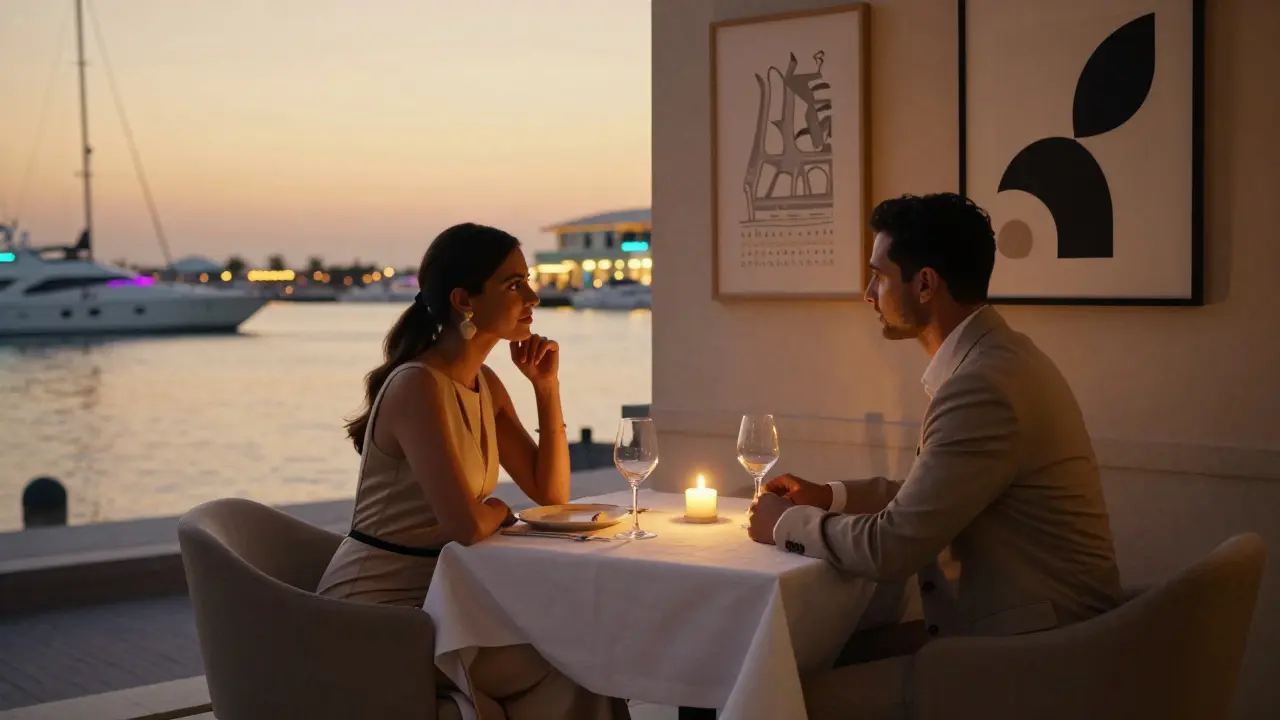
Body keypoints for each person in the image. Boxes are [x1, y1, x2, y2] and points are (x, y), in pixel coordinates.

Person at [746, 193, 1124, 718]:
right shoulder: (1001, 359)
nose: (868, 293)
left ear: (925, 284)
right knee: (812, 660)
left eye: (879, 276)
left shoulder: (982, 386)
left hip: (1036, 658)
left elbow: (893, 546)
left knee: (780, 695)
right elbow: (929, 499)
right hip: (1030, 631)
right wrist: (827, 495)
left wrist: (788, 522)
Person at [316, 223, 628, 720]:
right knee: (573, 668)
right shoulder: (417, 386)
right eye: (513, 285)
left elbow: (551, 492)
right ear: (465, 299)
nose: (533, 296)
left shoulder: (484, 382)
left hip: (439, 606)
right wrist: (500, 507)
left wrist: (546, 389)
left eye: (528, 281)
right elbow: (466, 524)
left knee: (583, 661)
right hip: (376, 615)